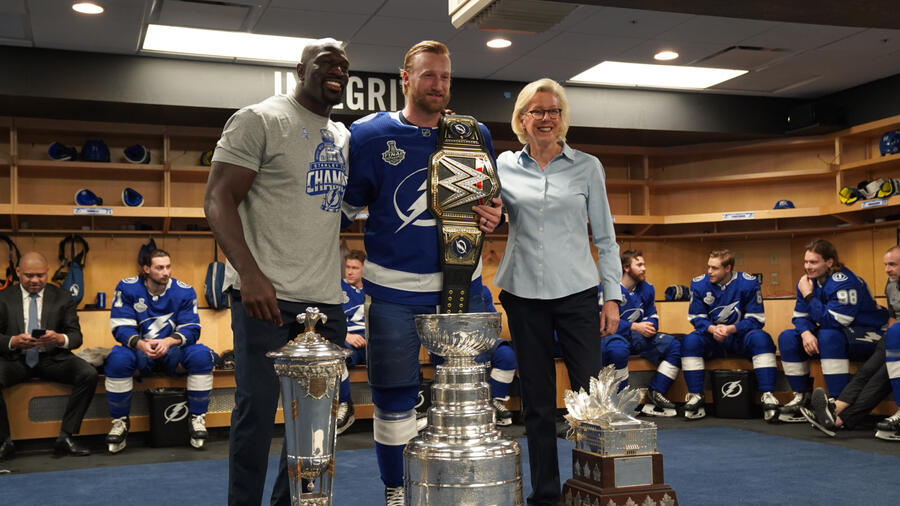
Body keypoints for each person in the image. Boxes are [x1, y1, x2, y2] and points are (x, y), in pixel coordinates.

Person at [341, 40, 502, 504]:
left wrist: (493, 214)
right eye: (429, 75)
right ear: (405, 78)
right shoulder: (370, 135)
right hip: (393, 291)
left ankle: (457, 481)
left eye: (446, 77)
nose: (439, 85)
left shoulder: (473, 134)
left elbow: (487, 203)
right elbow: (346, 209)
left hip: (463, 287)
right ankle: (397, 489)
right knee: (394, 397)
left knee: (468, 394)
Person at [204, 38, 351, 506]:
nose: (337, 72)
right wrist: (248, 274)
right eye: (326, 63)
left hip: (325, 301)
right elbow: (217, 199)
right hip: (265, 296)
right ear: (299, 69)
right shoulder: (260, 119)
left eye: (344, 67)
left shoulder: (342, 136)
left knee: (316, 424)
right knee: (257, 413)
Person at [494, 77, 621, 506]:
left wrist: (613, 296)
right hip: (523, 293)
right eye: (537, 111)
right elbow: (488, 219)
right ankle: (545, 494)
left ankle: (592, 489)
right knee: (538, 404)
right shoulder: (503, 166)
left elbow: (605, 238)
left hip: (577, 294)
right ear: (522, 119)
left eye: (553, 111)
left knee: (590, 400)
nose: (546, 118)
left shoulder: (588, 166)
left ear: (562, 119)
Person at [104, 249, 213, 453]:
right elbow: (121, 326)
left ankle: (197, 418)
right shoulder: (127, 288)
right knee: (117, 359)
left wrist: (169, 341)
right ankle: (119, 422)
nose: (166, 272)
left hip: (173, 350)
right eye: (159, 267)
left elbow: (192, 328)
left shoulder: (184, 291)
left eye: (168, 267)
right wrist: (141, 344)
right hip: (139, 350)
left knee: (201, 355)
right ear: (146, 269)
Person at [777, 239, 888, 422]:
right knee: (788, 337)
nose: (808, 267)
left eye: (814, 262)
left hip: (870, 332)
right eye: (806, 262)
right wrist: (806, 333)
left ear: (829, 262)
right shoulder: (807, 282)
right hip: (840, 332)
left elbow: (834, 322)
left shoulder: (844, 281)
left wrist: (809, 295)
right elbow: (800, 317)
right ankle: (801, 397)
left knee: (828, 336)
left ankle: (835, 402)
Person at [0, 251, 97, 459]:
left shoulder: (62, 297)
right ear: (18, 272)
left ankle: (66, 437)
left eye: (40, 275)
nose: (35, 280)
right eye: (28, 275)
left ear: (47, 272)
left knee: (88, 374)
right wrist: (12, 341)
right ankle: (4, 441)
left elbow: (76, 336)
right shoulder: (4, 298)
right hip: (15, 359)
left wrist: (59, 338)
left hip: (52, 359)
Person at [801, 245, 900, 440]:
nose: (887, 269)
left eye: (893, 265)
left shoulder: (844, 281)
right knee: (871, 373)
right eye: (886, 265)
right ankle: (837, 416)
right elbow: (893, 317)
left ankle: (837, 414)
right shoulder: (891, 284)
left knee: (884, 373)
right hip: (896, 336)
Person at [682, 249, 779, 421]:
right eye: (708, 267)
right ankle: (696, 395)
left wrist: (731, 329)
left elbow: (756, 319)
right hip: (713, 338)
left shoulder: (748, 283)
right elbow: (696, 317)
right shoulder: (698, 284)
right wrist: (713, 329)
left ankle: (768, 395)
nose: (709, 271)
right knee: (690, 341)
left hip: (740, 337)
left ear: (728, 269)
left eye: (714, 268)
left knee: (761, 338)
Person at [601, 250, 682, 417]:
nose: (644, 268)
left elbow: (652, 315)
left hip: (639, 337)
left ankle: (656, 392)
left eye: (644, 264)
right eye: (639, 265)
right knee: (617, 350)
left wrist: (649, 327)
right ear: (626, 267)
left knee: (675, 345)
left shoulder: (647, 288)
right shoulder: (607, 288)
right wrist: (634, 327)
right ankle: (620, 403)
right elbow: (603, 322)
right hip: (614, 337)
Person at [429, 285, 518, 426]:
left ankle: (492, 402)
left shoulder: (483, 290)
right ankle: (455, 407)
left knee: (507, 355)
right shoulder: (438, 290)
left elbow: (493, 319)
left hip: (479, 339)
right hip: (448, 343)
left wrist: (483, 338)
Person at [337, 249, 367, 434]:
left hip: (373, 342)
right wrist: (346, 335)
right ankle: (344, 404)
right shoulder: (336, 288)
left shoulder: (373, 290)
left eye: (355, 268)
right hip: (348, 342)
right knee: (338, 354)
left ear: (364, 270)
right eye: (348, 267)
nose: (349, 271)